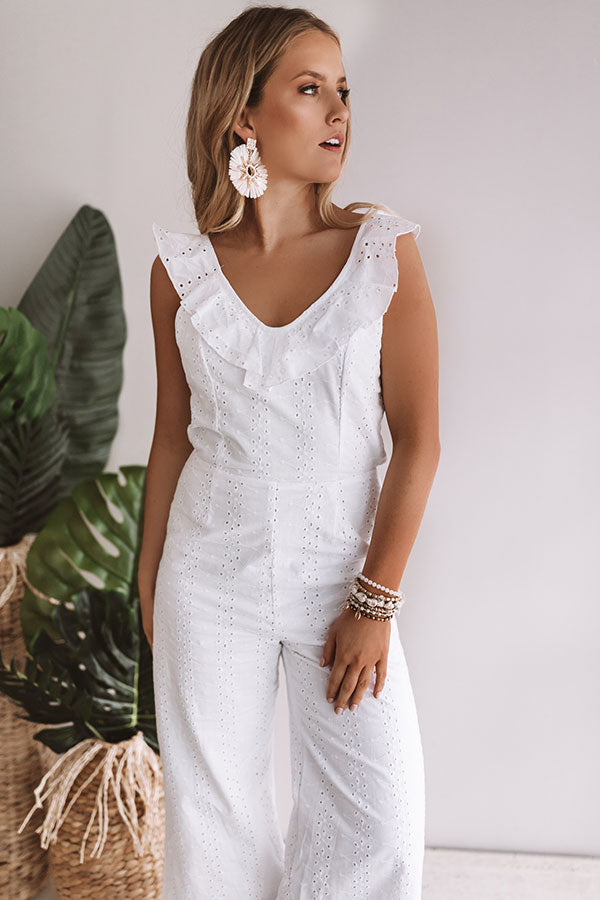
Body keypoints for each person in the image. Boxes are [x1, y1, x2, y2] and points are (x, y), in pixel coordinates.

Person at [137, 5, 440, 898]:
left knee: (381, 827)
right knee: (215, 826)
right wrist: (150, 579)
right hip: (204, 574)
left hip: (342, 575)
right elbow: (170, 436)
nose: (339, 110)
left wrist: (375, 600)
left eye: (343, 90)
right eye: (310, 89)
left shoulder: (383, 252)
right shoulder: (182, 273)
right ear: (244, 114)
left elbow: (419, 441)